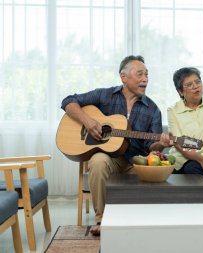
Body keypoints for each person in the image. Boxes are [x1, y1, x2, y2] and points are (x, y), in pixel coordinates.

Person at [61, 55, 170, 235]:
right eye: (140, 74)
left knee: (154, 174)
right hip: (109, 158)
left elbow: (152, 146)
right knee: (97, 160)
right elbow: (68, 102)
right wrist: (88, 122)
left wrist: (160, 144)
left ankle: (145, 224)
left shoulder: (153, 109)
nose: (145, 79)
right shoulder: (105, 95)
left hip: (136, 161)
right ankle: (102, 220)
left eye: (147, 75)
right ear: (123, 77)